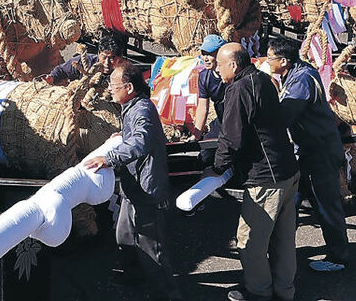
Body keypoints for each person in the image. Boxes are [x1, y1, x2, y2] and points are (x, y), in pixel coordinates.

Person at [203, 43, 300, 301]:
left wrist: (215, 169)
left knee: (251, 242)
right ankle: (284, 290)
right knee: (284, 239)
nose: (217, 69)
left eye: (220, 64)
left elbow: (231, 138)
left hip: (265, 178)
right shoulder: (263, 80)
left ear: (233, 65)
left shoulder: (238, 89)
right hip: (288, 170)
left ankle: (259, 292)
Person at [83, 64, 182, 301]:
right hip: (133, 186)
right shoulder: (132, 107)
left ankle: (167, 294)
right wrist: (122, 136)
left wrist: (108, 158)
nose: (110, 90)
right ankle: (132, 276)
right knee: (125, 235)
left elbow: (141, 141)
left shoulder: (142, 110)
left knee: (152, 247)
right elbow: (135, 136)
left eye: (114, 86)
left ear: (129, 87)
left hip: (147, 189)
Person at [265, 38, 350, 273]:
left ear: (284, 61)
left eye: (270, 58)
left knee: (326, 205)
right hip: (306, 151)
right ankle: (281, 253)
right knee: (290, 203)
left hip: (319, 151)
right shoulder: (296, 72)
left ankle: (338, 257)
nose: (267, 61)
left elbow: (284, 115)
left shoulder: (301, 80)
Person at [192, 34, 228, 166]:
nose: (205, 58)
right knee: (206, 154)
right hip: (221, 118)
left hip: (237, 119)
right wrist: (196, 134)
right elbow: (203, 107)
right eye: (203, 53)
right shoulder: (204, 76)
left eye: (210, 54)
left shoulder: (233, 73)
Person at [45, 34, 125, 85]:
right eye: (104, 57)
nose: (107, 63)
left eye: (112, 58)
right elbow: (61, 70)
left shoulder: (125, 73)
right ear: (98, 54)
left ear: (120, 57)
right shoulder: (84, 62)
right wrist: (52, 78)